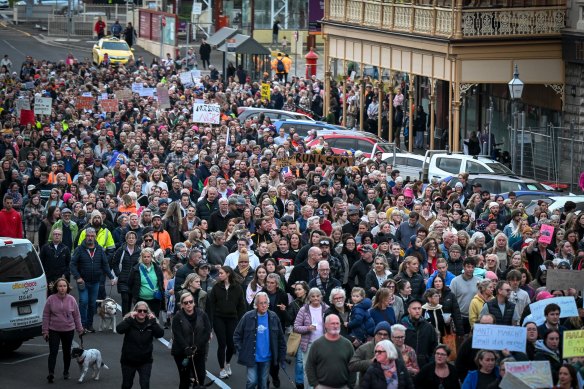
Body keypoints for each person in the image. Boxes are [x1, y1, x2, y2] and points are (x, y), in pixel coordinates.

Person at [233, 291, 287, 389]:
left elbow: (281, 339)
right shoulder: (247, 316)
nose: (263, 305)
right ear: (256, 304)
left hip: (267, 358)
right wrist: (242, 350)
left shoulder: (274, 317)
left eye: (265, 302)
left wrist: (282, 357)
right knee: (252, 381)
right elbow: (237, 335)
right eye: (261, 303)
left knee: (263, 384)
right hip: (251, 357)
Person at [70, 227, 117, 333]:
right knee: (83, 301)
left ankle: (89, 325)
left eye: (92, 236)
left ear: (95, 236)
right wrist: (78, 277)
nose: (90, 238)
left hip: (96, 281)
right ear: (85, 236)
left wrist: (111, 277)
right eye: (88, 236)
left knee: (92, 304)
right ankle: (81, 325)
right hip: (83, 281)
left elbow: (105, 264)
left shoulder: (99, 249)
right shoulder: (79, 249)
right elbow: (72, 264)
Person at [42, 278, 84, 383]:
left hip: (68, 330)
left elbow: (77, 316)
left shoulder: (72, 299)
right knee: (53, 352)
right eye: (60, 286)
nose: (62, 288)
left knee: (66, 352)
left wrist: (80, 329)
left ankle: (66, 372)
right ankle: (50, 373)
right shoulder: (50, 299)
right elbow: (46, 316)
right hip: (54, 329)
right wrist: (45, 331)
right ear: (56, 287)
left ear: (67, 287)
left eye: (64, 286)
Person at [208, 266, 246, 379]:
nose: (219, 275)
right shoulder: (216, 287)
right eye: (219, 273)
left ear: (228, 274)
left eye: (221, 273)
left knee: (231, 344)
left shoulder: (238, 288)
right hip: (218, 318)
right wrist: (211, 323)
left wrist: (241, 321)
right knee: (222, 344)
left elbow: (241, 306)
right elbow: (211, 305)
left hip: (232, 319)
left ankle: (227, 363)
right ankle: (221, 368)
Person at [116, 301, 164, 389]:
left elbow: (160, 334)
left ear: (147, 312)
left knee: (145, 385)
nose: (142, 313)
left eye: (145, 311)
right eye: (139, 310)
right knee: (127, 385)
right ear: (135, 311)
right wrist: (130, 319)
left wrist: (153, 322)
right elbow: (119, 330)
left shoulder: (151, 323)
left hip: (145, 361)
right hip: (128, 360)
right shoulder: (129, 322)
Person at [171, 291, 212, 389]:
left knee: (200, 377)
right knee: (185, 379)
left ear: (194, 302)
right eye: (186, 303)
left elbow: (207, 332)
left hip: (198, 351)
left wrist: (196, 346)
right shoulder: (177, 317)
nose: (189, 304)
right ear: (182, 305)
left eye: (190, 301)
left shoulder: (202, 314)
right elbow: (177, 334)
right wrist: (186, 348)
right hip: (182, 353)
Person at [305, 314, 354, 389]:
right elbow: (310, 366)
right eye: (332, 323)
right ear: (326, 325)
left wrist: (350, 386)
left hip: (343, 386)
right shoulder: (317, 344)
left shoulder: (347, 344)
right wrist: (315, 384)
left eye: (337, 323)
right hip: (321, 386)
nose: (335, 326)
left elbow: (353, 366)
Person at [128, 248, 165, 318]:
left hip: (155, 300)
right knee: (141, 320)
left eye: (148, 257)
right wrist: (134, 294)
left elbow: (161, 282)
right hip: (141, 300)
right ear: (141, 258)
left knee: (154, 321)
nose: (146, 258)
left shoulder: (157, 268)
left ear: (151, 257)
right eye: (144, 257)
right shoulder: (135, 269)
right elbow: (130, 283)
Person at [401, 298, 438, 368]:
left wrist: (430, 364)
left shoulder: (428, 327)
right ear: (409, 310)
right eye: (414, 309)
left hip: (425, 366)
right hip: (407, 366)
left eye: (419, 308)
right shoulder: (402, 327)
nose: (417, 311)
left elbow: (434, 348)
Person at [112, 231, 141, 316]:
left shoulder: (139, 251)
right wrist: (118, 274)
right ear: (126, 239)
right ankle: (125, 317)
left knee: (131, 300)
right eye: (129, 238)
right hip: (123, 279)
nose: (131, 239)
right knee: (125, 299)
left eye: (133, 238)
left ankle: (129, 317)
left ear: (136, 239)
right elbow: (114, 263)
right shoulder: (121, 250)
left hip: (135, 280)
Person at [39, 228, 71, 294]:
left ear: (61, 236)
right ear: (52, 236)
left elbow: (69, 264)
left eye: (59, 234)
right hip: (49, 278)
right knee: (50, 298)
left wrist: (65, 274)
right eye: (55, 234)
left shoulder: (65, 248)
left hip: (62, 278)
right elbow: (40, 263)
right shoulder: (45, 248)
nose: (57, 235)